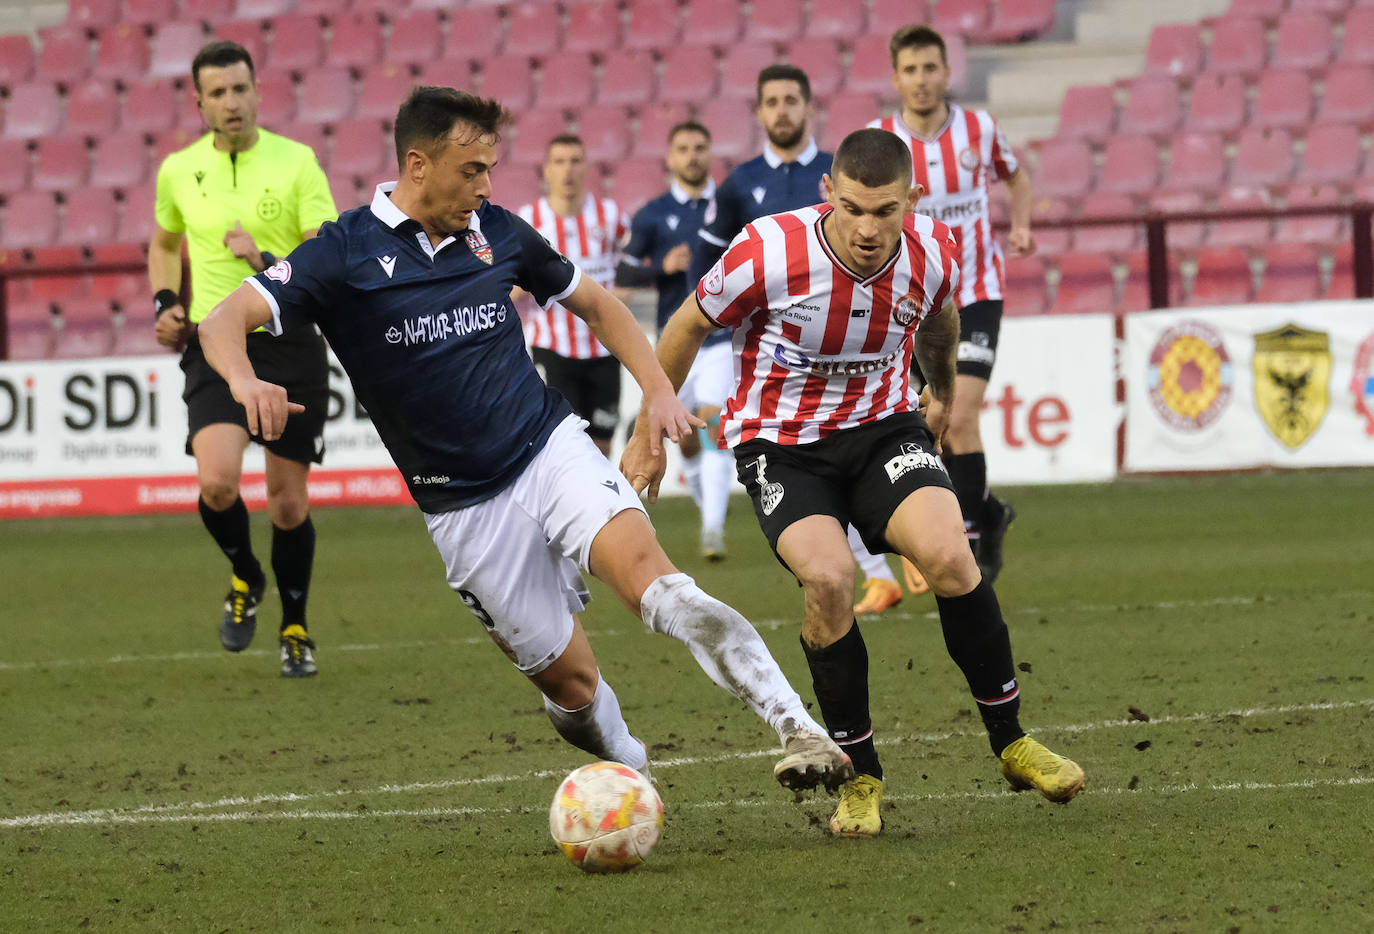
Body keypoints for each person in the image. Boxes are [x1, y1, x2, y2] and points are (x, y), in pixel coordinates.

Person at [196, 86, 853, 798]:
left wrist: (658, 391)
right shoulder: (343, 251)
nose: (485, 186)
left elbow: (597, 304)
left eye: (490, 169)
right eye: (470, 169)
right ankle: (629, 768)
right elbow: (222, 321)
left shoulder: (498, 232)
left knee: (663, 589)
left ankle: (797, 726)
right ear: (417, 164)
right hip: (463, 510)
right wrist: (242, 381)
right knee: (571, 691)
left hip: (548, 449)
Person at [622, 128, 1084, 838]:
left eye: (886, 212)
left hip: (882, 431)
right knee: (832, 581)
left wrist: (938, 387)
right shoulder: (766, 249)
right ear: (827, 194)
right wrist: (645, 433)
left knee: (954, 559)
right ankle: (860, 775)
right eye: (855, 209)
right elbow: (685, 327)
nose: (869, 229)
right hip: (782, 446)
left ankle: (1013, 742)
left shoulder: (933, 250)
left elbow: (940, 318)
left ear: (914, 202)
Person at [149, 40, 336, 677]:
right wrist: (164, 300)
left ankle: (294, 627)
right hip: (214, 344)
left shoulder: (297, 162)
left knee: (287, 504)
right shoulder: (177, 169)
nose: (232, 102)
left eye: (240, 88)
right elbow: (163, 239)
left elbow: (323, 252)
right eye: (218, 92)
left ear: (259, 90)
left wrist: (264, 262)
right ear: (198, 102)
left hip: (288, 340)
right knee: (218, 483)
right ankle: (245, 575)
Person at [689, 65, 905, 606]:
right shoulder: (739, 183)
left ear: (809, 107)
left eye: (791, 99)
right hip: (765, 349)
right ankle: (875, 570)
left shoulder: (842, 176)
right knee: (794, 453)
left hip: (843, 339)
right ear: (759, 112)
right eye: (772, 101)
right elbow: (708, 262)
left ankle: (882, 566)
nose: (782, 109)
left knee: (840, 452)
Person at [865, 24, 1036, 589]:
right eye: (910, 70)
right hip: (915, 303)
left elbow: (1017, 178)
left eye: (930, 68)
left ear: (946, 73)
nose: (921, 79)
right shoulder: (881, 140)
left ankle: (970, 539)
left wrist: (1023, 226)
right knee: (925, 422)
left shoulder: (980, 129)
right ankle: (987, 512)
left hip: (978, 292)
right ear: (896, 78)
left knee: (958, 414)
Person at [616, 120, 734, 560]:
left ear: (710, 154)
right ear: (670, 157)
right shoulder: (652, 214)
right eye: (682, 148)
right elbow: (625, 274)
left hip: (719, 338)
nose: (692, 155)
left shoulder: (728, 207)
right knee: (685, 438)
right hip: (672, 342)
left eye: (700, 147)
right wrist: (662, 268)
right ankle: (711, 514)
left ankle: (713, 531)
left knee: (712, 422)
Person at [518, 134, 629, 456]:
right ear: (547, 170)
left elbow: (632, 269)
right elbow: (508, 283)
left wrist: (624, 291)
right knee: (565, 445)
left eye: (575, 161)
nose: (568, 170)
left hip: (605, 346)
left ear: (587, 167)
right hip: (554, 349)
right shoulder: (529, 221)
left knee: (603, 445)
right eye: (559, 161)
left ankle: (599, 507)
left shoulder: (611, 216)